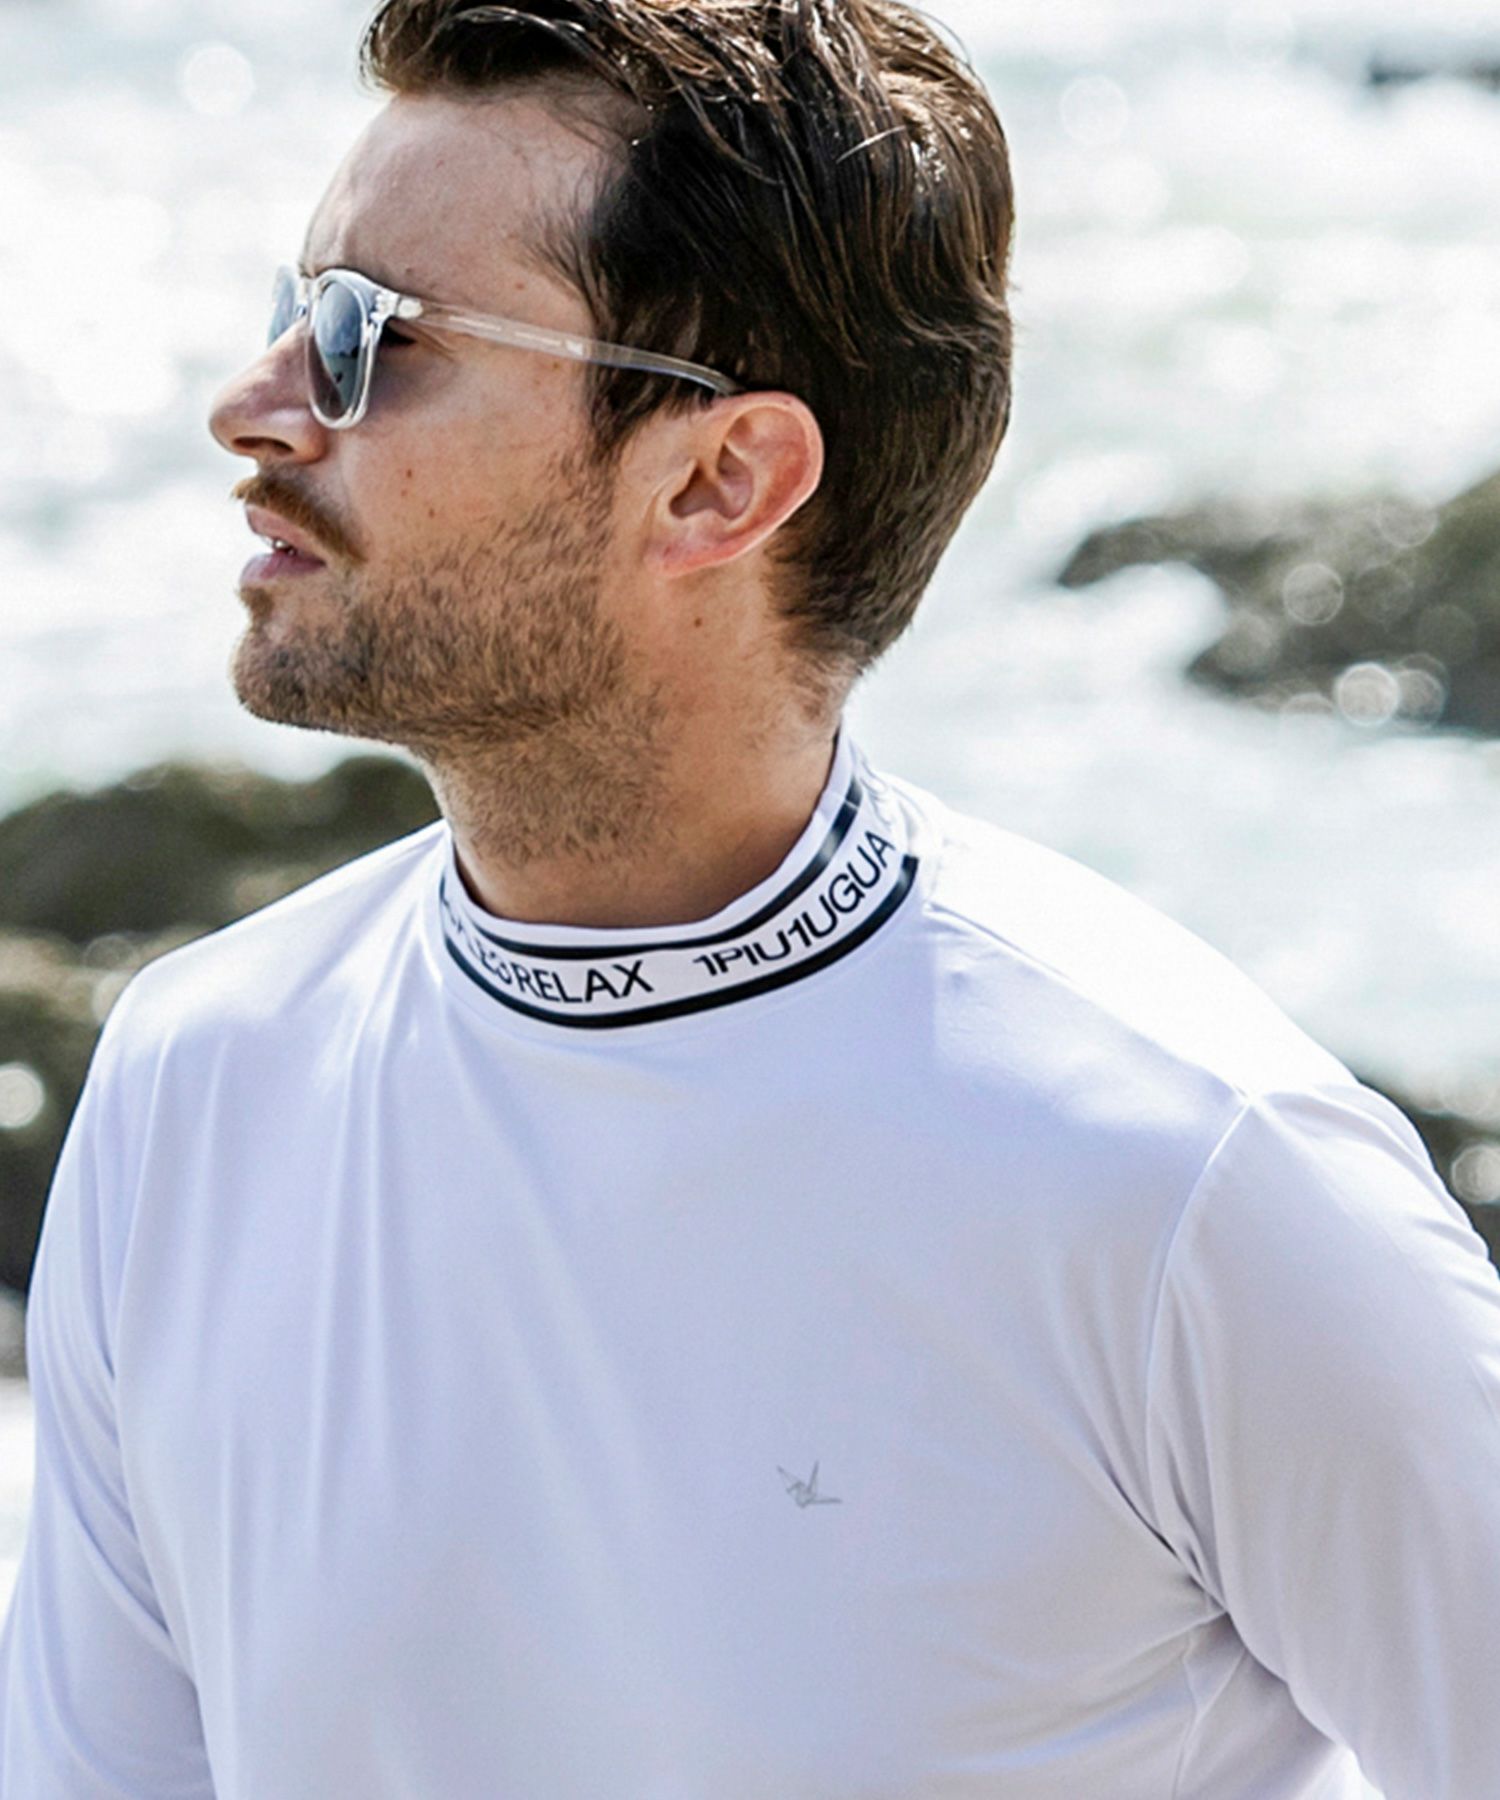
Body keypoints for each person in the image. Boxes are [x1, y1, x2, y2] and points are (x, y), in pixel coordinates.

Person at [2, 0, 1498, 1793]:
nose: (252, 406)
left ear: (721, 480)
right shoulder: (193, 1086)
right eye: (290, 306)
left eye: (366, 338)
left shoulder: (1190, 1182)